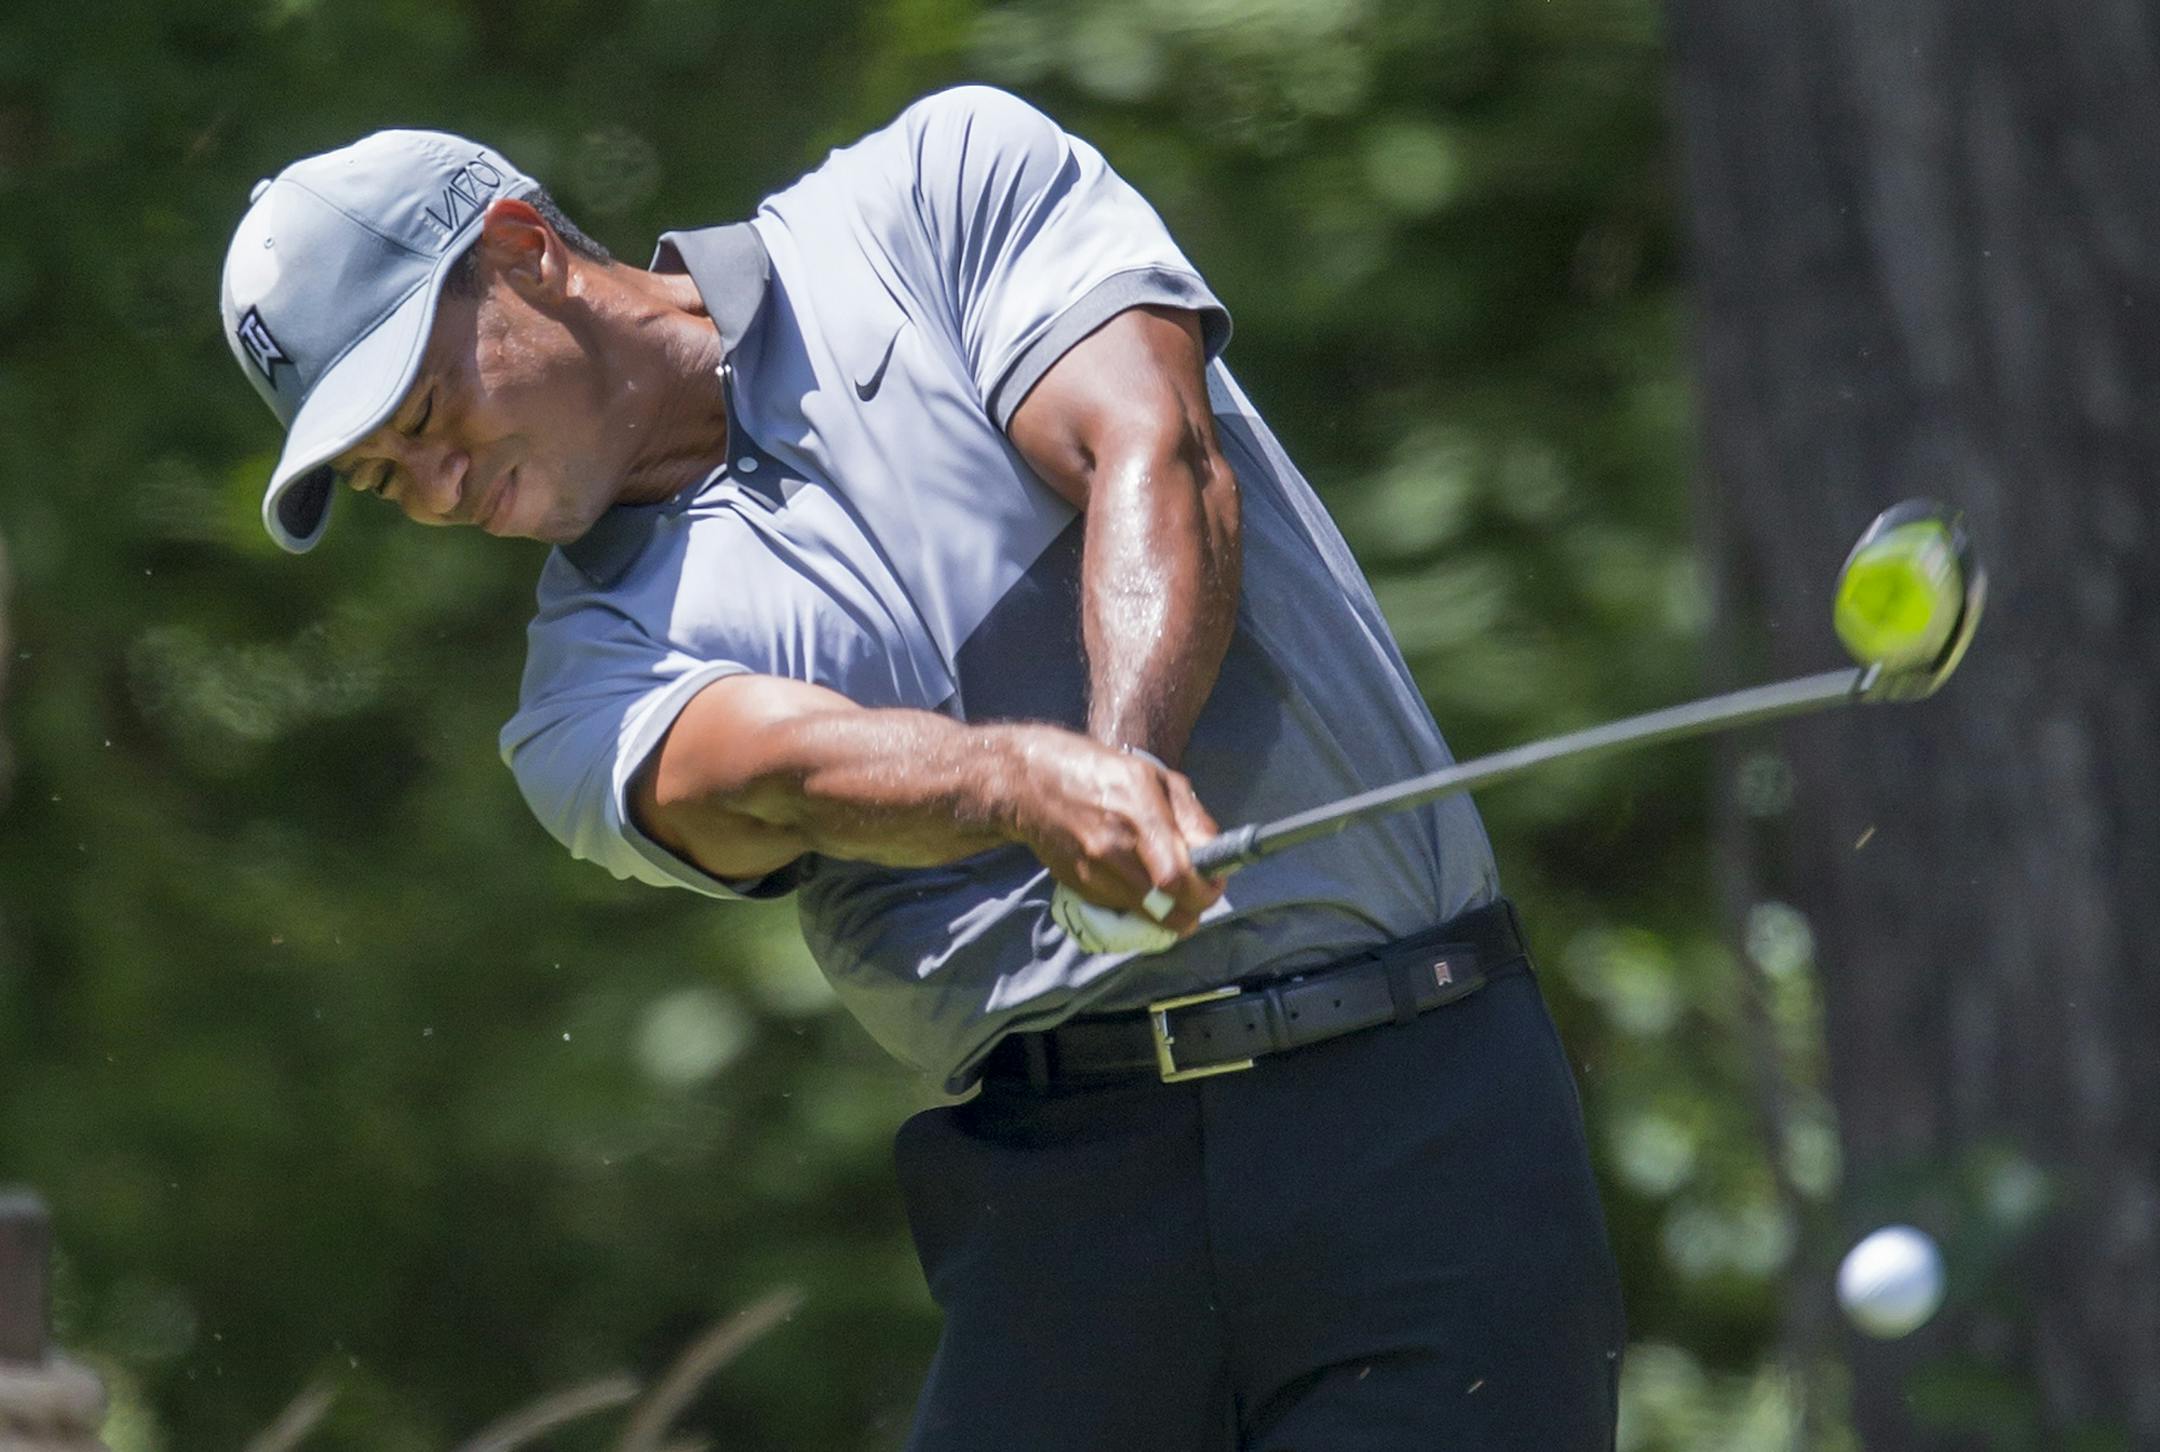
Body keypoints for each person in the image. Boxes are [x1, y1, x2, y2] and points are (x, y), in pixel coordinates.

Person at [219, 87, 1625, 1449]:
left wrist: (1123, 765)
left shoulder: (937, 194)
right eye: (386, 480)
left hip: (1415, 1111)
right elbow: (777, 774)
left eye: (426, 413)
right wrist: (1020, 788)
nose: (439, 490)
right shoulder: (582, 686)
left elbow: (1154, 448)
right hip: (1072, 1211)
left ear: (524, 250)